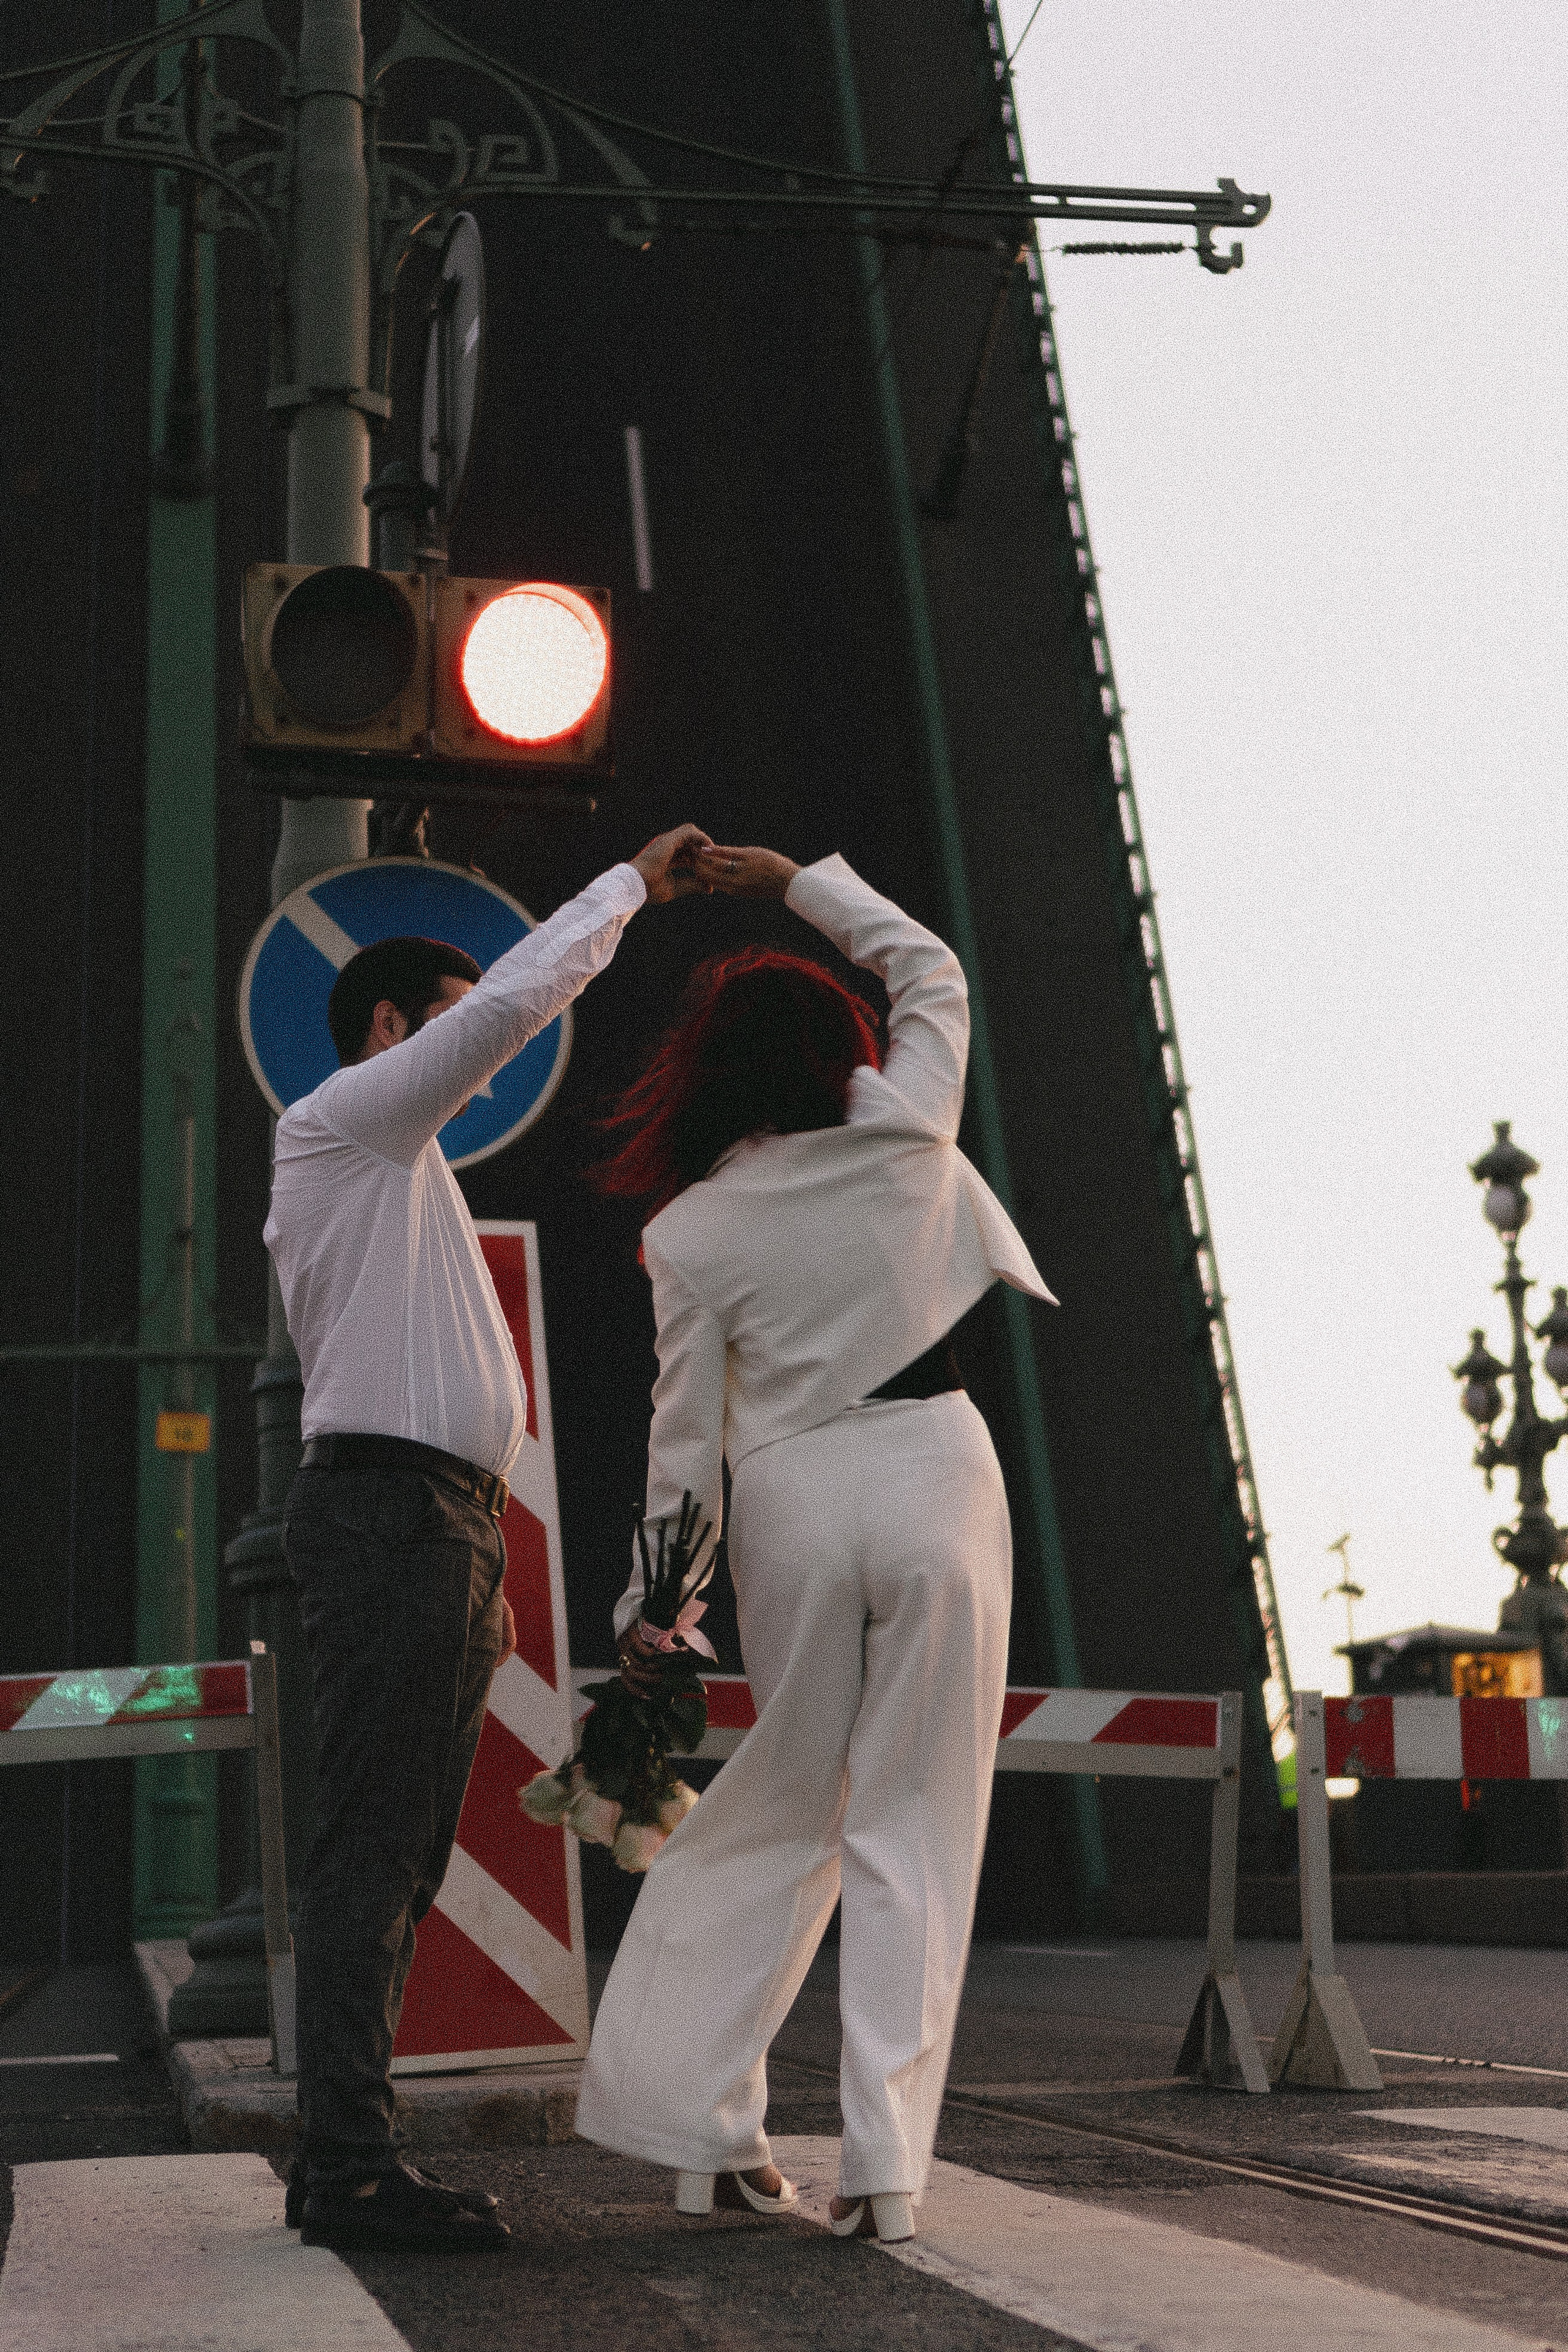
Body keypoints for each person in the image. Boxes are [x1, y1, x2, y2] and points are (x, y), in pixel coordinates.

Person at [574, 843, 1054, 2245]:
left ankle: (703, 2132)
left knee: (779, 1814)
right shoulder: (907, 1131)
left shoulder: (690, 1232)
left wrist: (656, 1615)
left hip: (790, 1495)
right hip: (935, 1474)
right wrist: (793, 880)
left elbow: (682, 1445)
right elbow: (931, 970)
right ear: (841, 1051)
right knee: (916, 1830)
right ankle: (886, 2174)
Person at [266, 823, 710, 2253]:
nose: (489, 1057)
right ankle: (345, 2164)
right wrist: (628, 889)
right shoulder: (341, 1123)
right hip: (394, 1518)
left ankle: (349, 2152)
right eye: (452, 1029)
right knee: (372, 1845)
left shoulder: (405, 1177)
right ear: (390, 1029)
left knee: (394, 1854)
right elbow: (522, 999)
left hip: (433, 1526)